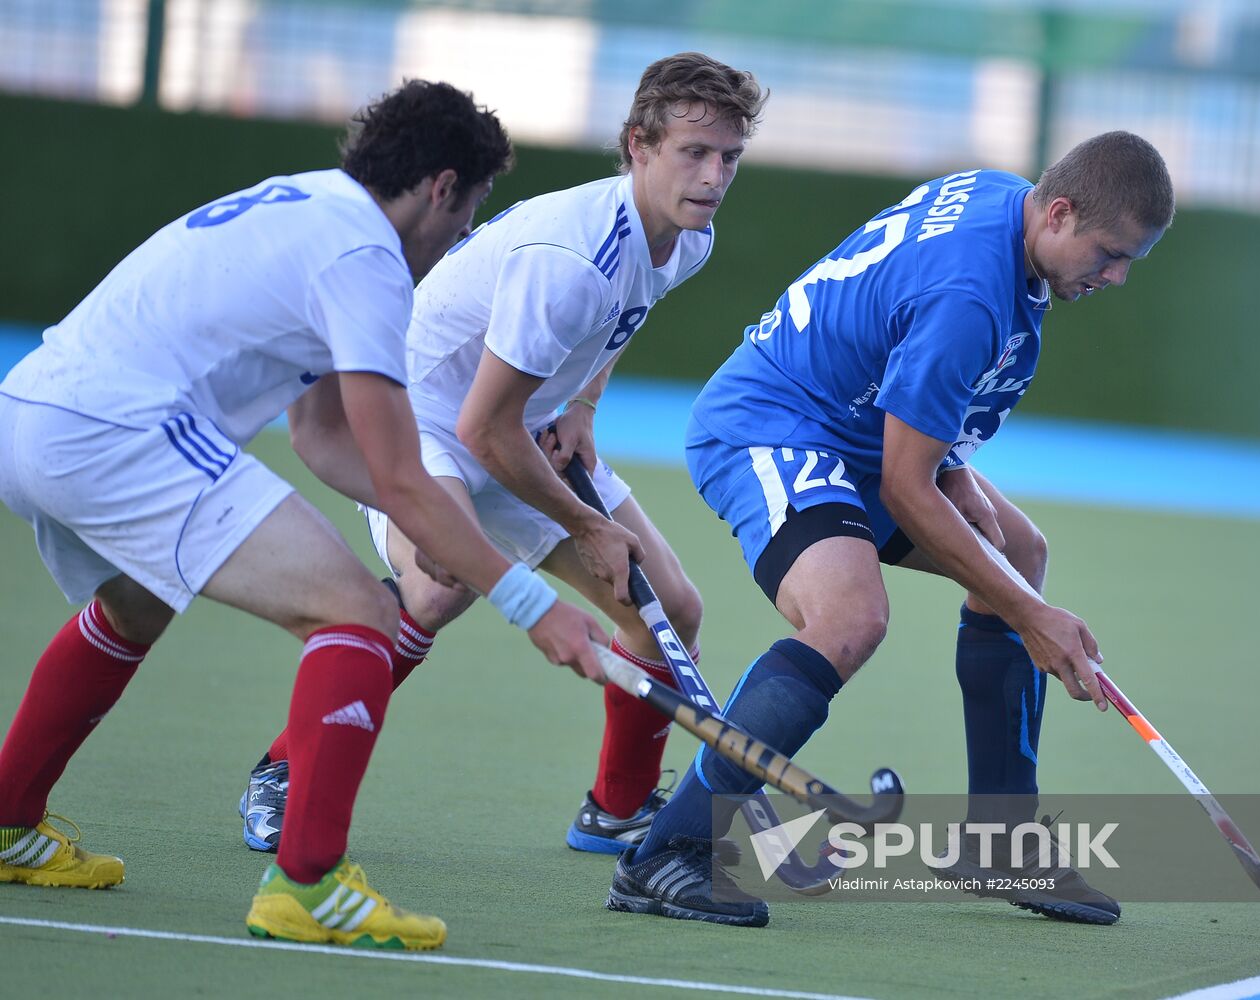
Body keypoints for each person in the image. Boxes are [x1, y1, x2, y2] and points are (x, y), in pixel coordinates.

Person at [0, 80, 611, 951]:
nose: (466, 234)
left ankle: (8, 823)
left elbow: (321, 435)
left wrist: (438, 530)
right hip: (118, 432)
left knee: (137, 601)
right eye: (471, 207)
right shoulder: (365, 259)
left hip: (31, 412)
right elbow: (402, 476)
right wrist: (531, 602)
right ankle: (309, 883)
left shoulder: (313, 209)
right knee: (361, 610)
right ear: (440, 186)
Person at [606, 131, 1175, 928]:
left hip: (858, 432)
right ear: (1058, 211)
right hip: (773, 427)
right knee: (850, 617)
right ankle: (671, 852)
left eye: (1130, 263)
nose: (1115, 276)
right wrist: (1028, 615)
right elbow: (907, 490)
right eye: (1110, 253)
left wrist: (959, 479)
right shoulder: (970, 298)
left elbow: (906, 386)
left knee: (1019, 551)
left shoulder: (1001, 200)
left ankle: (1001, 841)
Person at [236, 53, 768, 858]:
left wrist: (583, 404)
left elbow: (619, 317)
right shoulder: (569, 259)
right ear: (638, 145)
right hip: (425, 418)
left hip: (520, 418)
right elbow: (483, 428)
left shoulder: (685, 240)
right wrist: (588, 525)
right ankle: (284, 769)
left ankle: (616, 809)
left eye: (729, 156)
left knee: (672, 610)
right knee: (438, 589)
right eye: (694, 153)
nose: (714, 175)